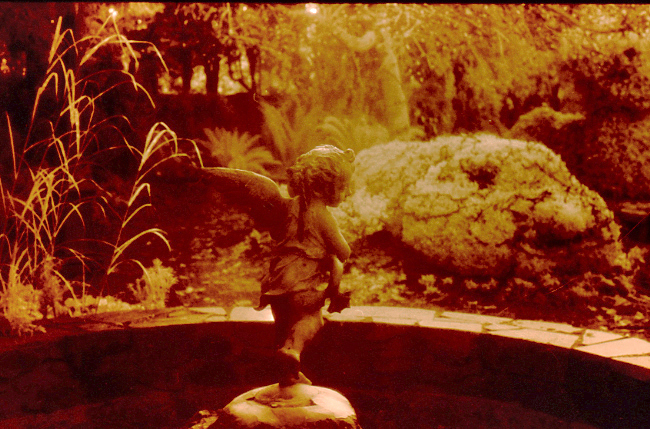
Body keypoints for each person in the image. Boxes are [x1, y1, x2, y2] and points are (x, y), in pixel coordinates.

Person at [256, 145, 355, 386]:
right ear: (325, 187)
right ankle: (293, 350)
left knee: (283, 327)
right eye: (342, 187)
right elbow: (344, 252)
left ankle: (287, 374)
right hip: (302, 285)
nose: (346, 193)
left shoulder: (287, 207)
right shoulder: (321, 214)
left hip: (276, 282)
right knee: (311, 319)